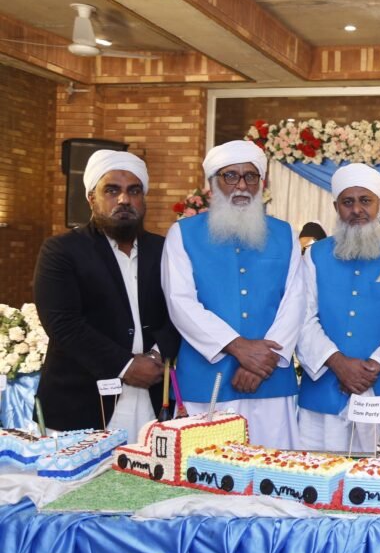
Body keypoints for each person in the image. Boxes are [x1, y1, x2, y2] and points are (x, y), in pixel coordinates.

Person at [162, 140, 303, 447]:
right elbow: (180, 303)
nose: (241, 185)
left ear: (261, 183)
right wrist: (239, 348)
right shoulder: (182, 234)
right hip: (205, 382)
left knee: (274, 475)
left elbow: (295, 301)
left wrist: (264, 360)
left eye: (250, 176)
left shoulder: (285, 234)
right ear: (213, 183)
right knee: (203, 480)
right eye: (230, 176)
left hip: (271, 380)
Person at [34, 150, 179, 435]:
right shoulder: (61, 250)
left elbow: (182, 310)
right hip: (81, 401)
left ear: (143, 198)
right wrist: (125, 365)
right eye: (112, 190)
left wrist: (157, 356)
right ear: (91, 197)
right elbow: (63, 324)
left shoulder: (165, 250)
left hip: (154, 395)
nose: (124, 199)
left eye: (133, 191)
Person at [296, 164, 380, 453]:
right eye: (347, 202)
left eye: (365, 201)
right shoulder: (315, 255)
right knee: (319, 485)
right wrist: (338, 362)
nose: (356, 210)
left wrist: (378, 365)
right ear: (336, 207)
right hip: (326, 393)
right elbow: (303, 316)